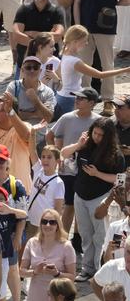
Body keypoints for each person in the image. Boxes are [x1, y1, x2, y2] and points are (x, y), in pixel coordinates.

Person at [62, 117, 126, 280]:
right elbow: (63, 154)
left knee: (101, 236)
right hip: (80, 195)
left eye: (100, 135)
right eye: (95, 133)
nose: (96, 137)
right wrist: (78, 144)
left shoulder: (116, 155)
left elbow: (120, 179)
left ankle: (100, 269)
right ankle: (87, 268)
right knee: (85, 234)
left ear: (108, 136)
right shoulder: (85, 145)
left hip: (101, 198)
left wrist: (97, 174)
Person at [74, 0, 130, 115]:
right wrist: (77, 26)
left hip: (106, 27)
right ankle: (85, 97)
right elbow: (77, 2)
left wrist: (111, 6)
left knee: (107, 64)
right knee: (84, 64)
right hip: (85, 26)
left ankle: (107, 100)